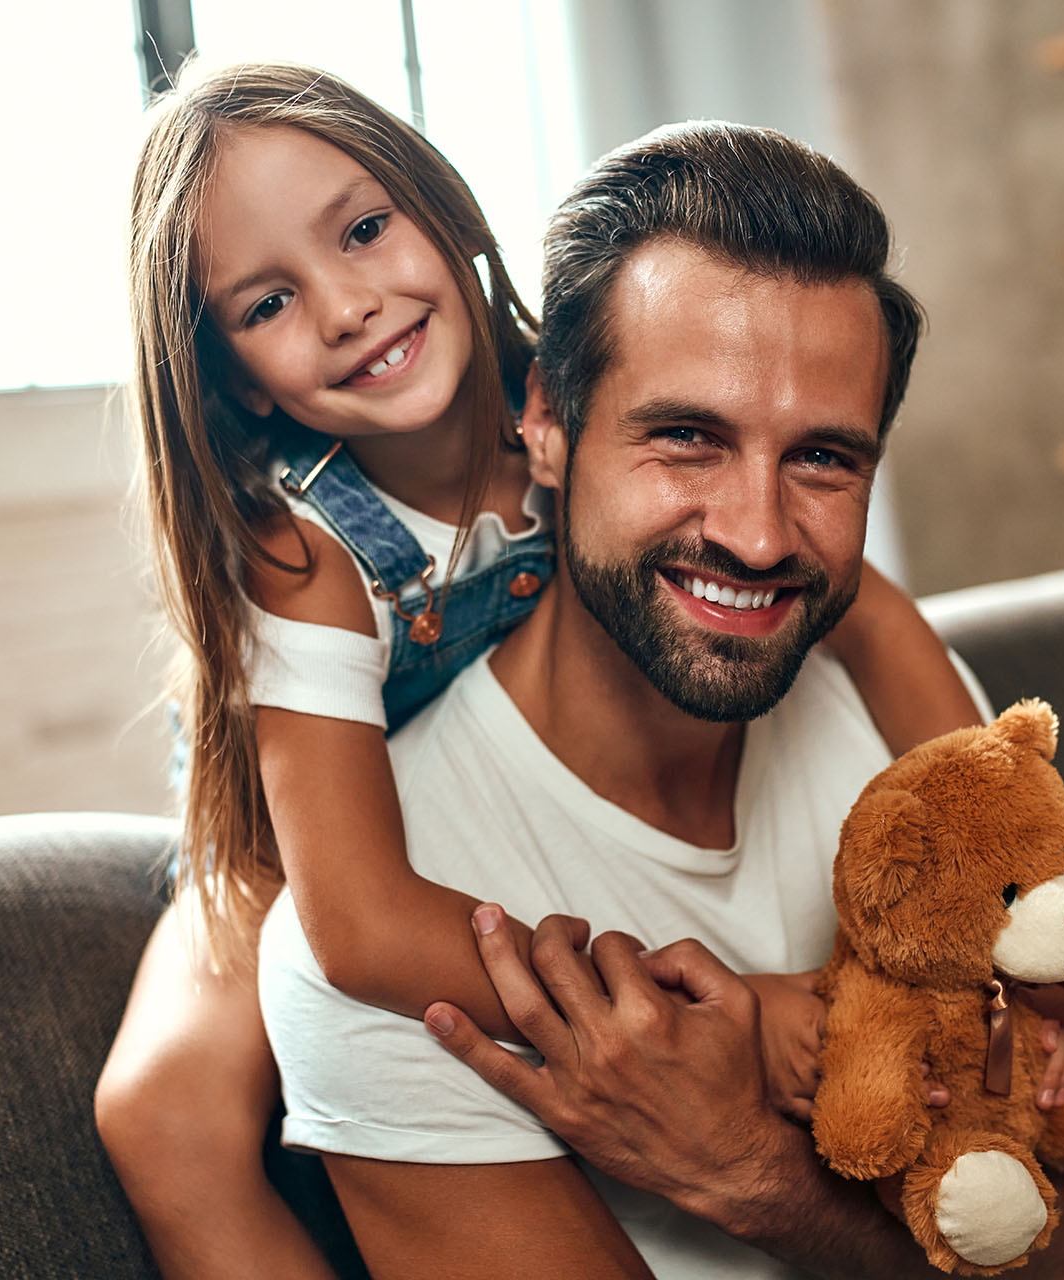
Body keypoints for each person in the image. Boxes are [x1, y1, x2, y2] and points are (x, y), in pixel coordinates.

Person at [92, 60, 1005, 1278]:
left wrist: (1002, 878)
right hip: (287, 819)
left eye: (365, 230)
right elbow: (358, 920)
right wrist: (712, 1008)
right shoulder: (300, 555)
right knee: (161, 1113)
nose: (347, 305)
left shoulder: (589, 380)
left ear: (449, 211)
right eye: (266, 304)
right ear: (230, 379)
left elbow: (878, 623)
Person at [253, 120, 1064, 1277]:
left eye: (824, 458)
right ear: (547, 422)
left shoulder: (916, 740)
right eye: (686, 436)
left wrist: (748, 1176)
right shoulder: (394, 939)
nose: (760, 534)